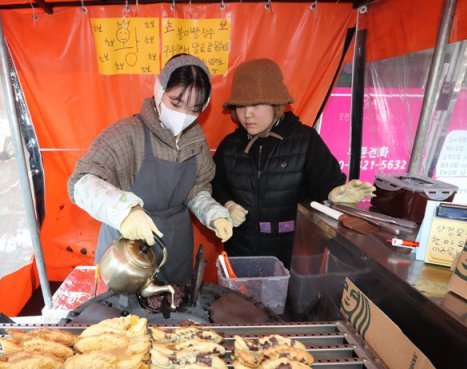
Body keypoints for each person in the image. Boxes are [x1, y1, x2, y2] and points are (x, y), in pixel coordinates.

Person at [68, 54, 233, 283]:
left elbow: (196, 190)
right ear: (159, 90)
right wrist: (125, 211)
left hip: (176, 246)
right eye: (176, 103)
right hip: (127, 252)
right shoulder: (127, 134)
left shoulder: (196, 143)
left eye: (194, 108)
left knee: (176, 309)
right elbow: (82, 183)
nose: (183, 114)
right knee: (121, 316)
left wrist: (213, 214)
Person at [212, 58, 375, 267]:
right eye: (241, 106)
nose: (247, 114)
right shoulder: (230, 146)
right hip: (240, 250)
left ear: (276, 104)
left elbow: (325, 181)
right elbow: (216, 186)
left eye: (256, 104)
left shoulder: (305, 140)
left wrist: (332, 193)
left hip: (293, 252)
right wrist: (228, 204)